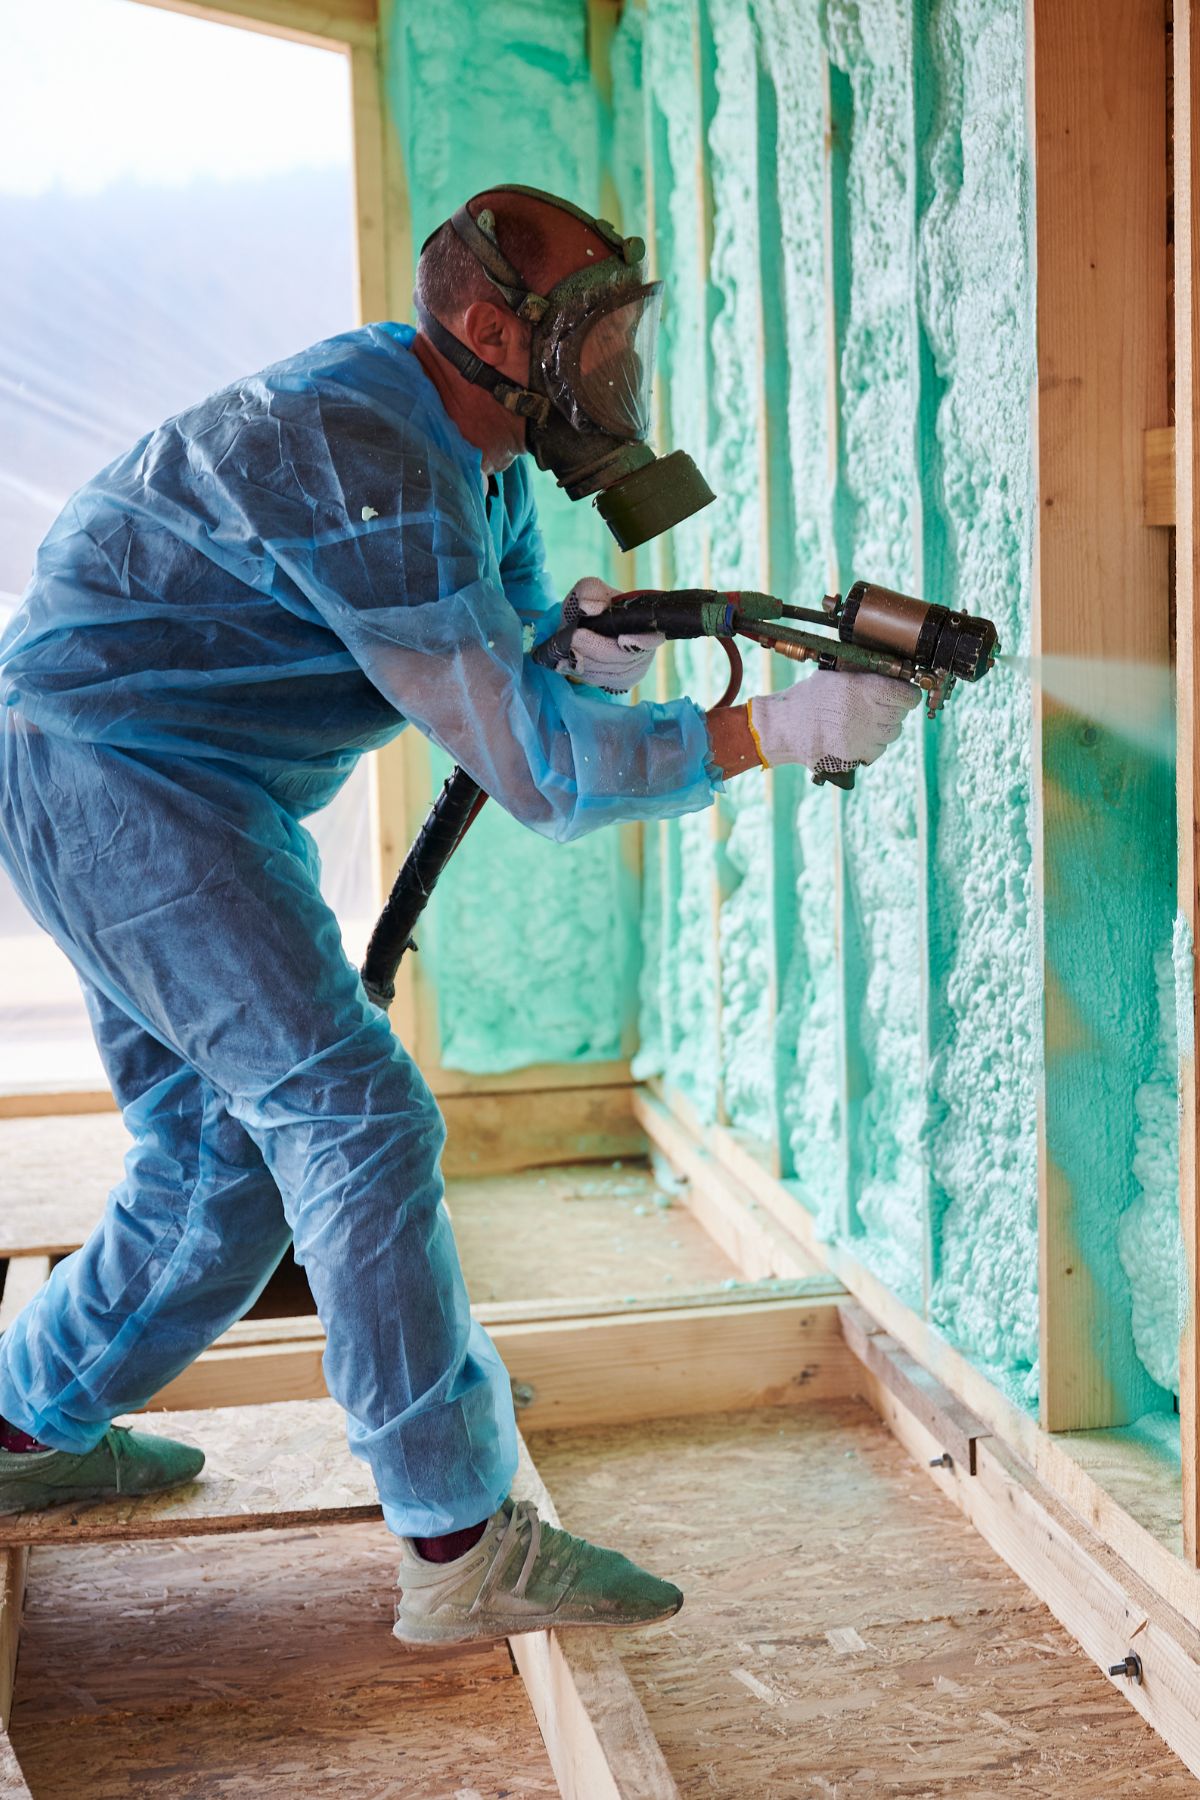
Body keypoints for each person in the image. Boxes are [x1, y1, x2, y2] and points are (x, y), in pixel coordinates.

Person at [0, 187, 916, 1642]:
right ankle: (457, 1550)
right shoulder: (365, 451)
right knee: (354, 1117)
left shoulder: (472, 456)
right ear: (496, 332)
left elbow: (511, 680)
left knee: (218, 1160)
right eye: (596, 341)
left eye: (625, 337)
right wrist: (774, 732)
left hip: (171, 780)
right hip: (121, 777)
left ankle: (23, 1436)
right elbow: (541, 775)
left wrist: (581, 654)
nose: (617, 374)